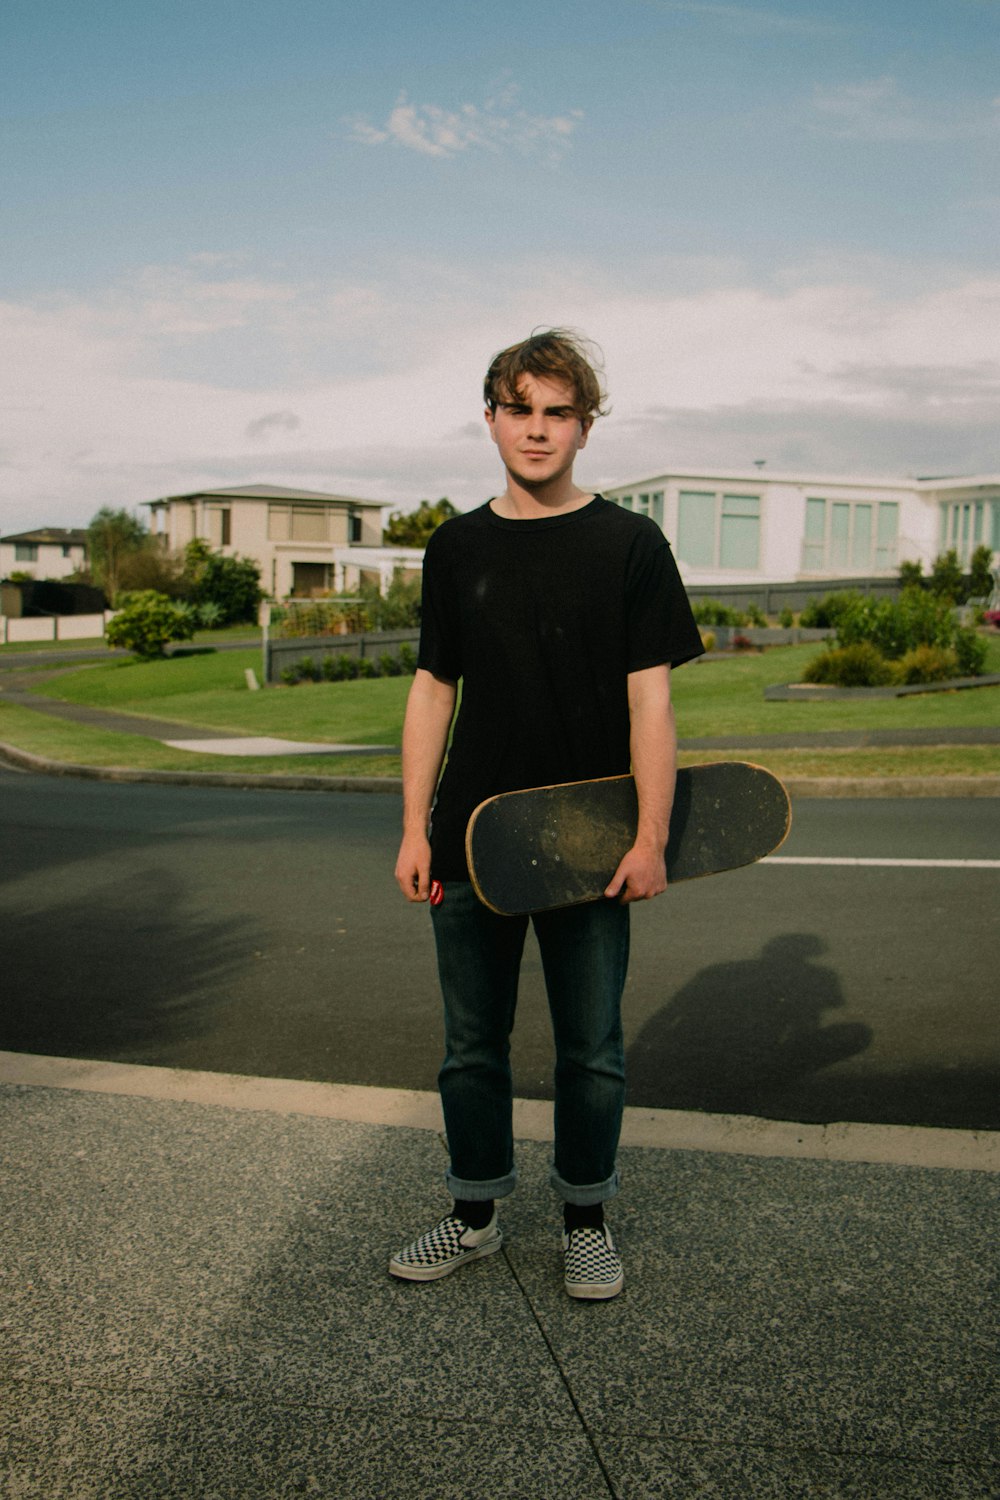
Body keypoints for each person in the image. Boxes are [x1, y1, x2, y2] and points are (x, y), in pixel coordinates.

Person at [390, 329, 703, 1298]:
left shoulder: (629, 545)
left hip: (589, 840)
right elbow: (432, 688)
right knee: (471, 1047)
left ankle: (585, 1219)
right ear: (490, 418)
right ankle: (474, 1212)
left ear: (584, 424)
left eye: (556, 411)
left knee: (591, 1050)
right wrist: (412, 825)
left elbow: (650, 700)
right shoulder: (456, 545)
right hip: (472, 840)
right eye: (518, 408)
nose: (536, 429)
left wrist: (650, 836)